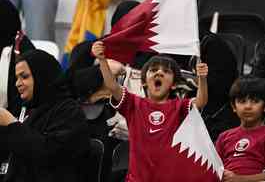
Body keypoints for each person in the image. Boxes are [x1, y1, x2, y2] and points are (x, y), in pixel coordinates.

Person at [91, 40, 218, 181]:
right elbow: (112, 86)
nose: (159, 72)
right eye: (153, 70)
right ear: (144, 81)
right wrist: (102, 60)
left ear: (174, 84)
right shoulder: (133, 103)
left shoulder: (180, 106)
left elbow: (201, 101)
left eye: (166, 71)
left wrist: (202, 78)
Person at [0, 49, 89, 182]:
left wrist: (12, 125)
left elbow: (49, 154)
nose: (17, 83)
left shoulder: (69, 111)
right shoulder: (32, 111)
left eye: (24, 77)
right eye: (17, 78)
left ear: (42, 76)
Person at [216, 75, 265, 182]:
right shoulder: (223, 137)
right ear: (234, 106)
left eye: (255, 101)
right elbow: (213, 169)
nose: (248, 106)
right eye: (242, 101)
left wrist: (239, 179)